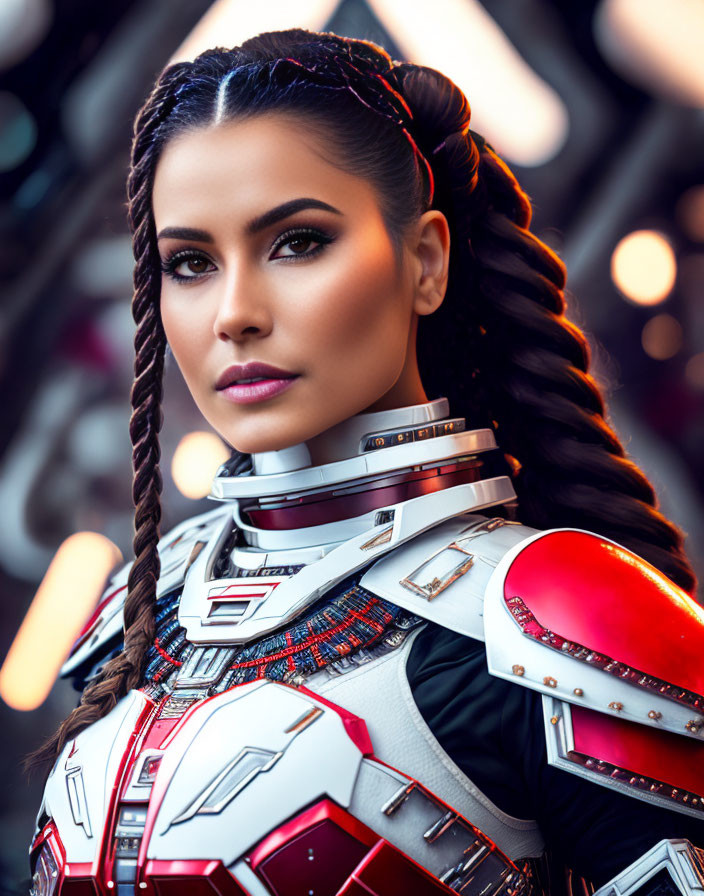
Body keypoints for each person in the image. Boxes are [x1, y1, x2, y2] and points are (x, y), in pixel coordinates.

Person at [27, 28, 704, 896]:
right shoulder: (140, 610)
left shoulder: (564, 621)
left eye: (298, 242)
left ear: (424, 262)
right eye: (190, 262)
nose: (234, 313)